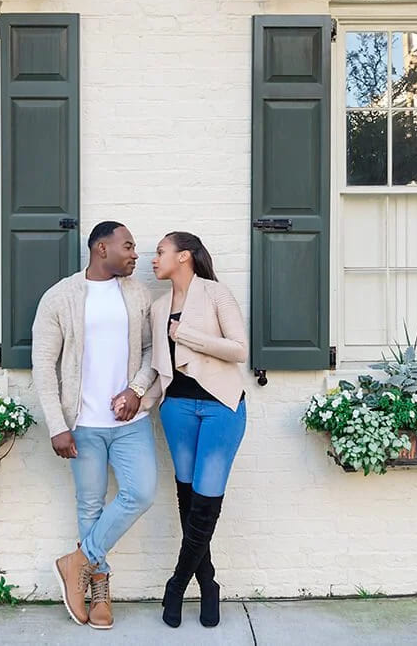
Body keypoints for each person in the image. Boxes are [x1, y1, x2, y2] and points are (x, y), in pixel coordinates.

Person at [31, 221, 158, 630]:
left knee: (141, 492)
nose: (135, 254)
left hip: (130, 422)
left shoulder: (137, 294)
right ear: (101, 248)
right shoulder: (59, 297)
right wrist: (56, 424)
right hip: (82, 424)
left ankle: (77, 562)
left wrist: (137, 390)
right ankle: (98, 588)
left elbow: (152, 349)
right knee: (89, 504)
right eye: (128, 246)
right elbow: (43, 367)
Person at [146, 231, 248, 628]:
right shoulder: (157, 308)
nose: (154, 259)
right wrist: (139, 398)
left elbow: (239, 349)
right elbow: (160, 370)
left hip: (222, 406)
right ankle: (208, 582)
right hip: (177, 410)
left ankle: (176, 585)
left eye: (160, 252)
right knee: (188, 499)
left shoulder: (216, 294)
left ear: (184, 256)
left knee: (206, 501)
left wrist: (185, 334)